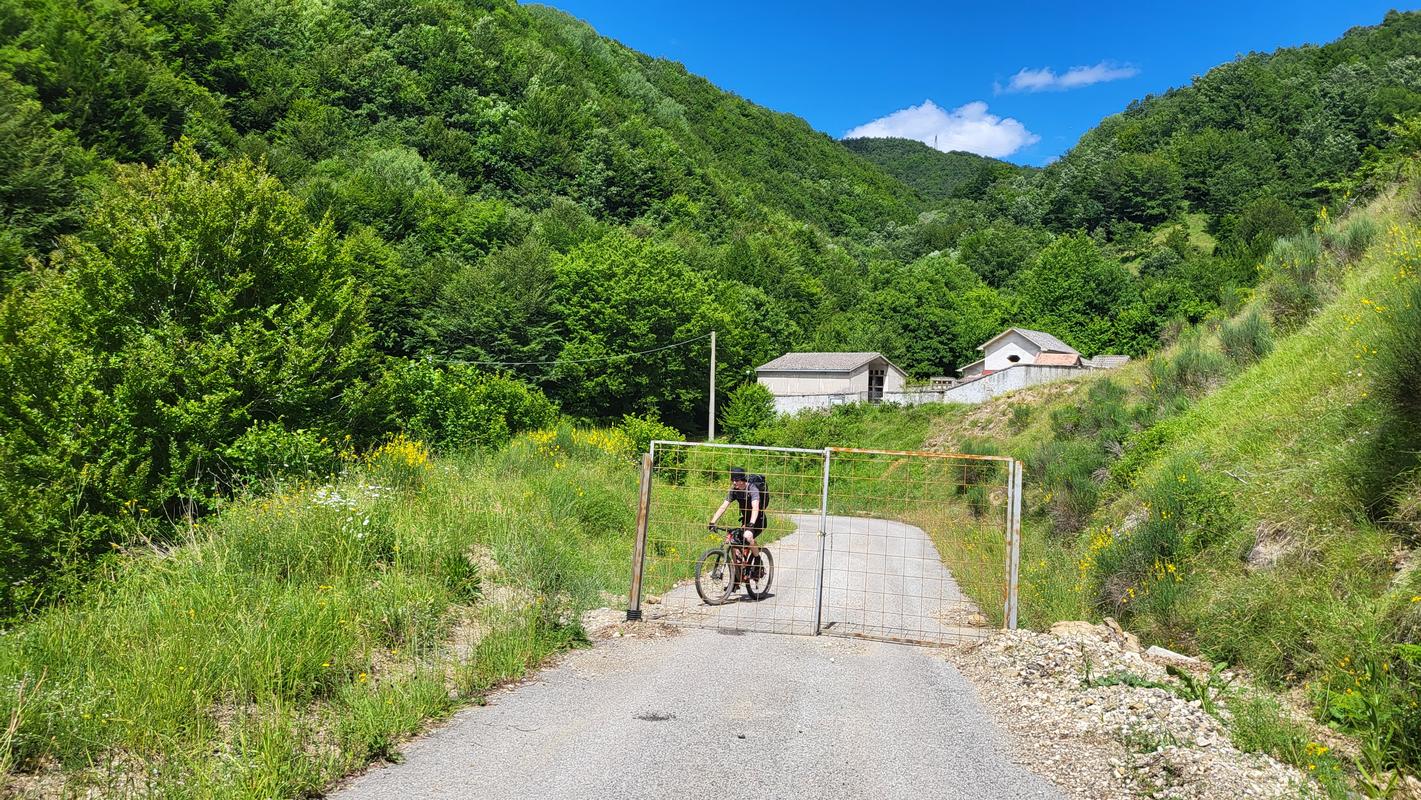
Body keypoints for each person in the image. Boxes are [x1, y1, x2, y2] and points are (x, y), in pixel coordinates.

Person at [708, 467, 764, 566]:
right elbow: (723, 506)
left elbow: (755, 507)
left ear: (743, 480)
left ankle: (758, 559)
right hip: (746, 520)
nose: (734, 483)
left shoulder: (752, 489)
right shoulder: (734, 490)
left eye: (736, 480)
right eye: (732, 480)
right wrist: (713, 522)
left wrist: (751, 524)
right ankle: (737, 574)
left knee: (748, 536)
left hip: (758, 520)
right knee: (734, 542)